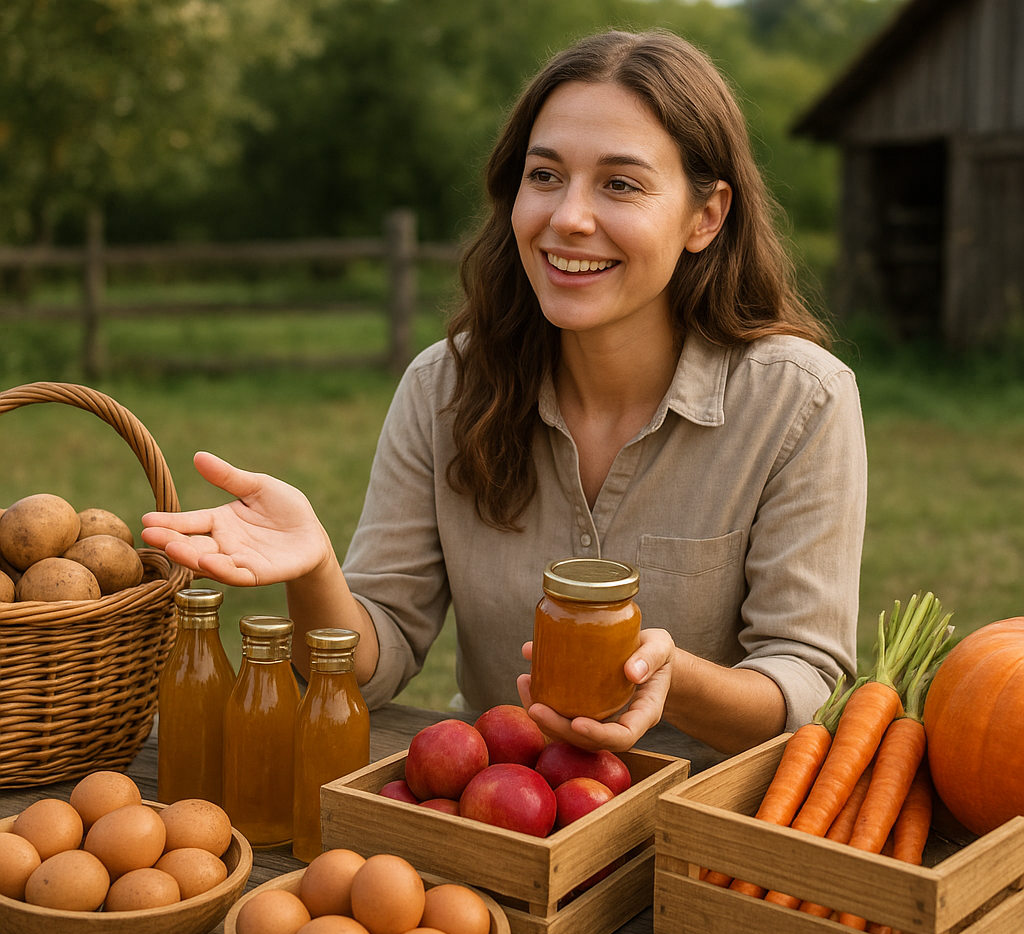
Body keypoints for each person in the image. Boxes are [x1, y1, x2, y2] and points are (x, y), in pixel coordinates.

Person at [141, 28, 867, 759]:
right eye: (545, 175)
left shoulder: (800, 403)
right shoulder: (445, 389)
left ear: (705, 217)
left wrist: (671, 677)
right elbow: (372, 661)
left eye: (620, 184)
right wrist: (314, 568)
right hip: (504, 814)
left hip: (706, 836)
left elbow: (804, 681)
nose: (568, 217)